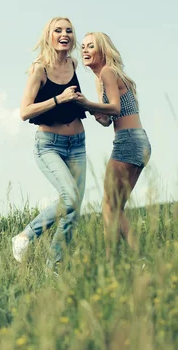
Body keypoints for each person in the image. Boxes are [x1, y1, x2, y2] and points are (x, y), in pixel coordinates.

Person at [12, 17, 87, 270]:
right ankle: (25, 236)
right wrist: (58, 99)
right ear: (49, 36)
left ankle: (52, 269)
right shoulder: (39, 69)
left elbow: (73, 100)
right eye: (58, 30)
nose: (64, 34)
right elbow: (25, 111)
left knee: (73, 209)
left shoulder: (74, 63)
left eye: (69, 30)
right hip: (49, 145)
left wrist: (91, 107)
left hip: (77, 143)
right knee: (70, 197)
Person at [75, 32, 151, 260]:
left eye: (91, 46)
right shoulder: (104, 79)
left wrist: (87, 103)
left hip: (128, 140)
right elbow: (108, 119)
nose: (85, 51)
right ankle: (135, 258)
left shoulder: (108, 71)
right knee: (115, 207)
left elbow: (116, 108)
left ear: (102, 50)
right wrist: (94, 111)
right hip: (138, 140)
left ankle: (113, 260)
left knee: (109, 206)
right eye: (83, 47)